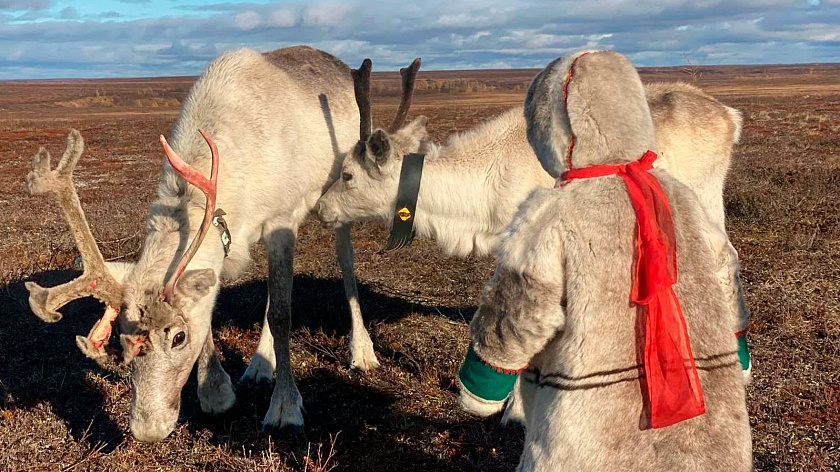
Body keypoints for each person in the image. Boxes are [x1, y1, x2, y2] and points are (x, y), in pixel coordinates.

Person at [457, 51, 752, 471]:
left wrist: (483, 383)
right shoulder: (678, 195)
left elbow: (520, 310)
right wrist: (736, 352)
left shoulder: (551, 213)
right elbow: (725, 274)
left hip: (593, 430)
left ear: (549, 130)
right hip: (704, 425)